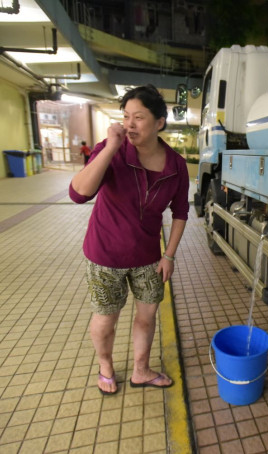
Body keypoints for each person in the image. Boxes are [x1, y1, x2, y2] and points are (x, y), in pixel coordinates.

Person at [69, 85, 189, 395]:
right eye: (125, 117)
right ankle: (105, 366)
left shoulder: (175, 164)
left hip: (148, 256)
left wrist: (170, 255)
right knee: (106, 319)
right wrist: (110, 148)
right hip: (104, 254)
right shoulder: (112, 149)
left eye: (138, 117)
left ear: (159, 122)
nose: (129, 124)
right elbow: (78, 193)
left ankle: (141, 370)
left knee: (147, 317)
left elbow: (180, 212)